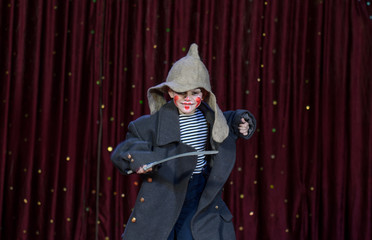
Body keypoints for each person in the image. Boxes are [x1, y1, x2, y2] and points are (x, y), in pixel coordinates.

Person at [111, 43, 256, 240]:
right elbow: (126, 149)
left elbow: (230, 120)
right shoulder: (151, 124)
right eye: (181, 93)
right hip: (166, 192)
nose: (188, 99)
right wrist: (139, 160)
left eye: (194, 93)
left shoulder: (211, 119)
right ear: (170, 92)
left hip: (198, 194)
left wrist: (242, 121)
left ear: (203, 94)